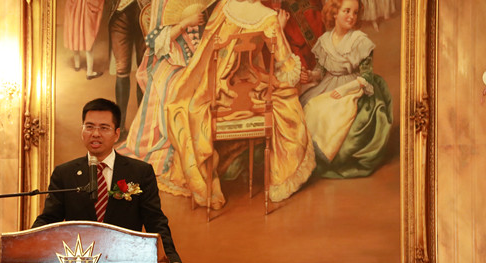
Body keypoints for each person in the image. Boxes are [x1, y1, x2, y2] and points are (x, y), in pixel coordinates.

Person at [161, 0, 316, 210]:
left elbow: (204, 57)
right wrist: (279, 30)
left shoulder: (224, 7)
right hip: (250, 93)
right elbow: (286, 68)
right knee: (287, 99)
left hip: (218, 94)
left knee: (185, 104)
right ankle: (279, 181)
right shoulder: (268, 17)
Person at [32, 98, 189, 263]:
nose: (95, 134)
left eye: (104, 128)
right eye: (89, 127)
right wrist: (26, 245)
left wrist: (172, 259)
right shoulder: (65, 173)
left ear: (116, 134)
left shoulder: (139, 172)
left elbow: (155, 220)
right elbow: (49, 219)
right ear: (82, 131)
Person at [299, 0, 393, 179]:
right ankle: (309, 155)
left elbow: (366, 77)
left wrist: (344, 91)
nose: (352, 16)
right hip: (328, 83)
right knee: (310, 107)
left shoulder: (360, 41)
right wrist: (310, 76)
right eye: (347, 11)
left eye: (355, 13)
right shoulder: (325, 40)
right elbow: (321, 71)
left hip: (353, 86)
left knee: (332, 111)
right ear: (334, 13)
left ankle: (325, 157)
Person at [117, 0, 207, 176]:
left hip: (201, 59)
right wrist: (185, 23)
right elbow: (154, 42)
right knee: (176, 87)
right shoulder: (162, 3)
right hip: (172, 60)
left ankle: (201, 147)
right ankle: (181, 147)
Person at [107, 0, 147, 141]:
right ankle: (120, 127)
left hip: (146, 13)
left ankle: (142, 127)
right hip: (120, 14)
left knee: (144, 69)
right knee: (122, 68)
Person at [63, 0, 104, 79]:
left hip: (75, 6)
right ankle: (89, 72)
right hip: (86, 8)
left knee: (75, 32)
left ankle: (77, 65)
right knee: (88, 37)